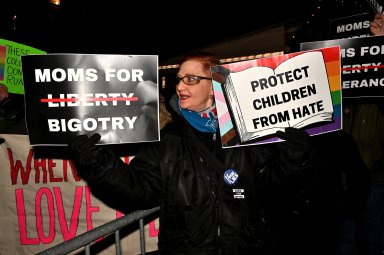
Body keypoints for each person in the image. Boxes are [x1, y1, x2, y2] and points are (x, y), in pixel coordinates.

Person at [68, 51, 314, 255]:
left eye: (191, 79)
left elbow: (269, 183)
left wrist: (295, 157)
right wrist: (97, 163)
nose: (179, 86)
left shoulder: (245, 133)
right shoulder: (168, 140)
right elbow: (137, 189)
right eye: (178, 79)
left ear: (214, 86)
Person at [261, 130, 371, 255]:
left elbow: (359, 178)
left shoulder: (334, 137)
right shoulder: (269, 140)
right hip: (281, 226)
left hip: (323, 225)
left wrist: (344, 208)